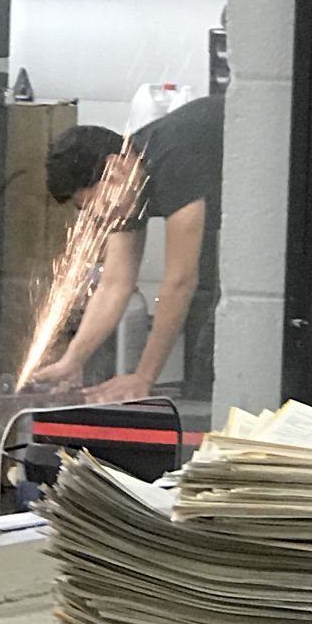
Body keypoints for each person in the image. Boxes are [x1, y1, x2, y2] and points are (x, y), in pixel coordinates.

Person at [34, 94, 225, 404]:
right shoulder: (127, 181)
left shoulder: (172, 158)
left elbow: (180, 281)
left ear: (113, 169)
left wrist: (143, 377)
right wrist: (72, 361)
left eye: (92, 205)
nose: (98, 217)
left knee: (217, 349)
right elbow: (114, 284)